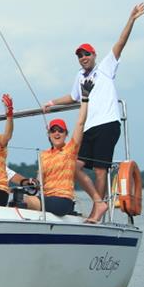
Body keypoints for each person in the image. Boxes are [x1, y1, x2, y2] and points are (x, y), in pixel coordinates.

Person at [43, 3, 144, 221]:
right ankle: (99, 203)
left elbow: (121, 43)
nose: (83, 58)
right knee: (73, 165)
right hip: (89, 127)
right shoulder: (79, 76)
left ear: (93, 55)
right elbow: (73, 97)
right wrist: (52, 102)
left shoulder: (105, 68)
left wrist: (132, 19)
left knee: (101, 170)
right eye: (80, 56)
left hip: (108, 124)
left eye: (86, 54)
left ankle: (97, 211)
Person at [26, 80, 102, 220]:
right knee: (19, 199)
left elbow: (80, 123)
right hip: (46, 198)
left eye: (60, 131)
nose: (57, 133)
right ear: (48, 134)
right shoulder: (43, 155)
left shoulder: (70, 150)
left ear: (66, 134)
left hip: (63, 200)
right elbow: (39, 179)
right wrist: (34, 184)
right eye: (53, 131)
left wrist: (85, 99)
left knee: (24, 202)